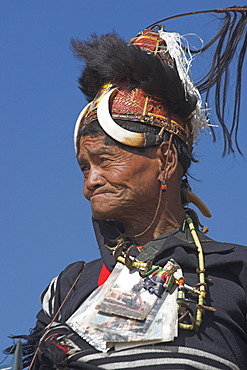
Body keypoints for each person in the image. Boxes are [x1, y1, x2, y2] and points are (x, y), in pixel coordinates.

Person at [6, 6, 247, 370]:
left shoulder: (236, 274)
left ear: (165, 160)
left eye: (105, 161)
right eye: (84, 167)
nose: (90, 183)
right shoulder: (70, 288)